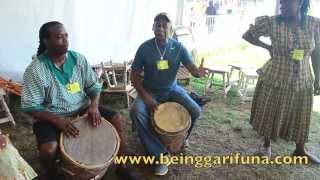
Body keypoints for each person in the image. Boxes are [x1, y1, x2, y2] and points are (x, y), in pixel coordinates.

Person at [21, 21, 138, 180]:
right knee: (48, 150)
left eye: (66, 35)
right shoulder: (35, 69)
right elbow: (30, 106)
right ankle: (53, 173)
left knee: (117, 119)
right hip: (51, 115)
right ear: (46, 41)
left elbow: (94, 87)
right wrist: (57, 121)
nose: (65, 39)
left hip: (82, 108)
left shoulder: (78, 59)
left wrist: (94, 106)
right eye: (58, 36)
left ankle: (121, 166)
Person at [243, 0, 320, 163]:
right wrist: (268, 47)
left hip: (303, 79)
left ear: (299, 2)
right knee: (271, 112)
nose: (282, 6)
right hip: (276, 77)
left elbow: (316, 51)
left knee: (302, 115)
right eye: (281, 3)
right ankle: (266, 145)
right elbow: (248, 35)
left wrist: (318, 77)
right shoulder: (271, 22)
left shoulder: (314, 24)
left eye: (286, 3)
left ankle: (300, 150)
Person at [130, 12, 205, 176]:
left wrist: (198, 72)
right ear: (153, 28)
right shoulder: (144, 48)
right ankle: (160, 155)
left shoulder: (179, 48)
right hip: (149, 90)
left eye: (165, 25)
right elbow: (134, 76)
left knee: (196, 111)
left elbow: (191, 67)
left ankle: (181, 139)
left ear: (171, 28)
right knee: (136, 111)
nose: (161, 28)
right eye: (158, 24)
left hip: (172, 89)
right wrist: (146, 96)